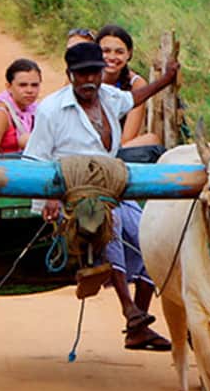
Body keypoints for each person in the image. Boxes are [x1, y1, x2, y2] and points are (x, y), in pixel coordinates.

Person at [24, 40, 181, 351]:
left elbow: (134, 98)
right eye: (81, 75)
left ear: (101, 73)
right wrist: (49, 198)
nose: (88, 81)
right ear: (70, 75)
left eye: (94, 73)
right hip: (77, 194)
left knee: (151, 233)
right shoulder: (51, 110)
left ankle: (140, 323)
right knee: (112, 223)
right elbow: (36, 159)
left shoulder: (109, 97)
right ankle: (128, 310)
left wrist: (165, 80)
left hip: (113, 185)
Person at [96, 24, 162, 152]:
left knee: (152, 140)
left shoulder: (136, 84)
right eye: (106, 51)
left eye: (119, 52)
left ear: (129, 54)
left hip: (118, 147)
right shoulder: (82, 77)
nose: (112, 57)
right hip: (83, 143)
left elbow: (128, 137)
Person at [0, 58, 41, 155]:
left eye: (34, 85)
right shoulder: (0, 115)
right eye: (23, 85)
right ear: (8, 87)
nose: (29, 90)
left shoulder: (36, 110)